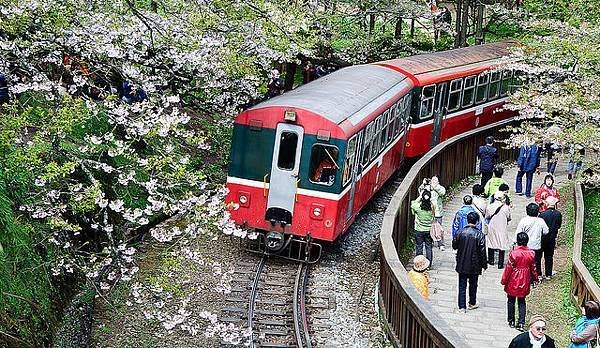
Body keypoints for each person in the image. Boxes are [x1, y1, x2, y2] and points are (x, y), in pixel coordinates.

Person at [501, 232, 538, 330]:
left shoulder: (514, 253)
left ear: (518, 241)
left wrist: (504, 280)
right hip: (525, 278)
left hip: (514, 278)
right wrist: (535, 279)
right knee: (522, 301)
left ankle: (511, 321)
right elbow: (533, 268)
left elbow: (508, 268)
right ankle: (521, 323)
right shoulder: (531, 253)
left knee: (511, 300)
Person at [452, 212, 487, 313]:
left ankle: (462, 306)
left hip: (462, 262)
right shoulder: (480, 235)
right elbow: (482, 251)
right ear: (477, 221)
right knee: (473, 284)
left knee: (462, 285)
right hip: (475, 264)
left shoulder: (460, 232)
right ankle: (472, 302)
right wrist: (484, 264)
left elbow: (454, 245)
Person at [516, 203, 549, 279]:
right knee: (536, 261)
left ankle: (525, 277)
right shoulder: (540, 221)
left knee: (525, 263)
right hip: (536, 245)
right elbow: (546, 231)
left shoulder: (523, 220)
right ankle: (536, 276)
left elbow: (518, 233)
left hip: (525, 246)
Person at [418, 176, 446, 250]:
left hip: (437, 212)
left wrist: (434, 186)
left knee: (439, 228)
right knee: (429, 228)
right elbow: (420, 192)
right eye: (432, 179)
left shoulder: (440, 188)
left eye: (435, 180)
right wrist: (423, 184)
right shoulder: (427, 187)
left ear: (438, 182)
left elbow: (442, 193)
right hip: (429, 212)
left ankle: (441, 244)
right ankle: (430, 242)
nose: (433, 181)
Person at [485, 191, 512, 268]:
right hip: (502, 226)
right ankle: (500, 263)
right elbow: (509, 217)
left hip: (492, 226)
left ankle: (491, 260)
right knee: (502, 244)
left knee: (491, 242)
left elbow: (487, 216)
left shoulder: (490, 206)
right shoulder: (506, 207)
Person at [539, 196, 562, 279]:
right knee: (549, 256)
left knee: (539, 256)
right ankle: (548, 274)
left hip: (542, 238)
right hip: (552, 238)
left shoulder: (542, 215)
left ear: (547, 204)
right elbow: (558, 226)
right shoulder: (558, 214)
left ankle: (539, 274)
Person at [411, 190, 434, 264]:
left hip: (419, 229)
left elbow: (413, 204)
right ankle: (429, 263)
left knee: (419, 247)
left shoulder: (418, 207)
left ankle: (419, 263)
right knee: (429, 247)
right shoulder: (432, 207)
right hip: (429, 230)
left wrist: (420, 196)